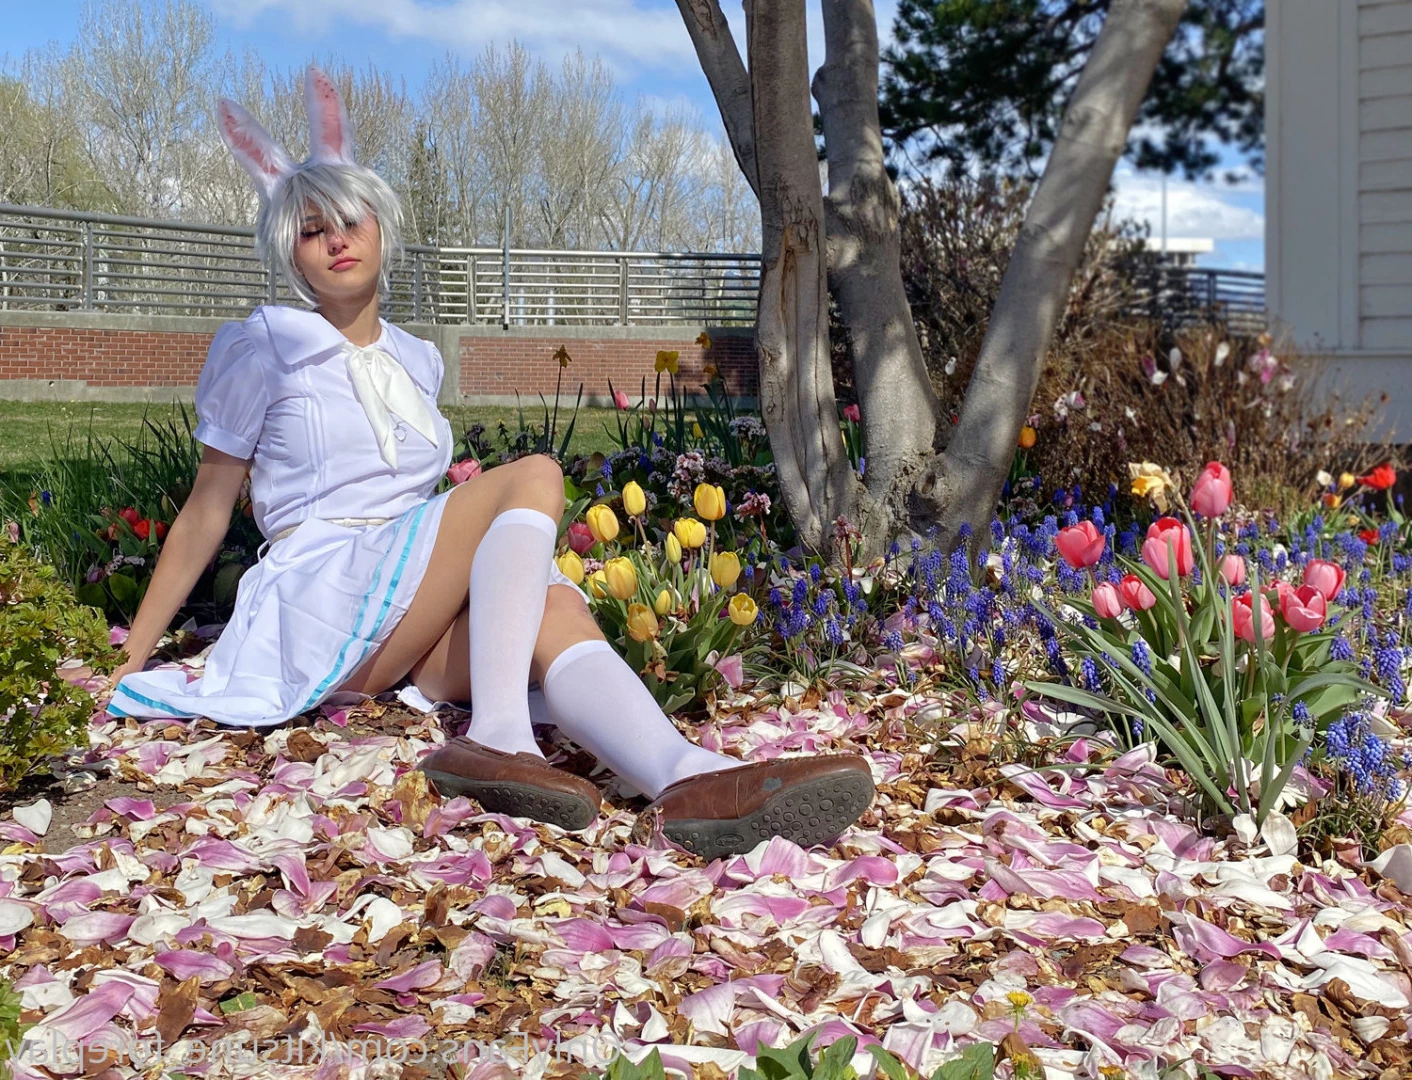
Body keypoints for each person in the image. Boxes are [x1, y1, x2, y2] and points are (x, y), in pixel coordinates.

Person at [101, 67, 873, 859]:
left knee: (555, 611)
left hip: (401, 625)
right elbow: (207, 509)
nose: (336, 239)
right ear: (290, 255)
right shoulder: (264, 344)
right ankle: (500, 735)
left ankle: (685, 778)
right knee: (536, 474)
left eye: (351, 219)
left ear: (381, 228)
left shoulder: (416, 359)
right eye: (310, 230)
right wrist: (127, 655)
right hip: (320, 595)